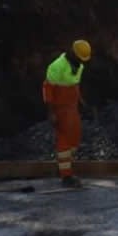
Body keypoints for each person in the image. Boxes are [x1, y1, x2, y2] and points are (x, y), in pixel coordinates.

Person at [42, 39, 92, 188]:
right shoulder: (57, 66)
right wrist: (51, 112)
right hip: (60, 107)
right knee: (64, 139)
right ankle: (66, 176)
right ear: (72, 53)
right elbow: (47, 89)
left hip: (72, 107)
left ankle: (64, 167)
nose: (81, 61)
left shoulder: (79, 66)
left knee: (75, 137)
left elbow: (75, 86)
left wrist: (82, 102)